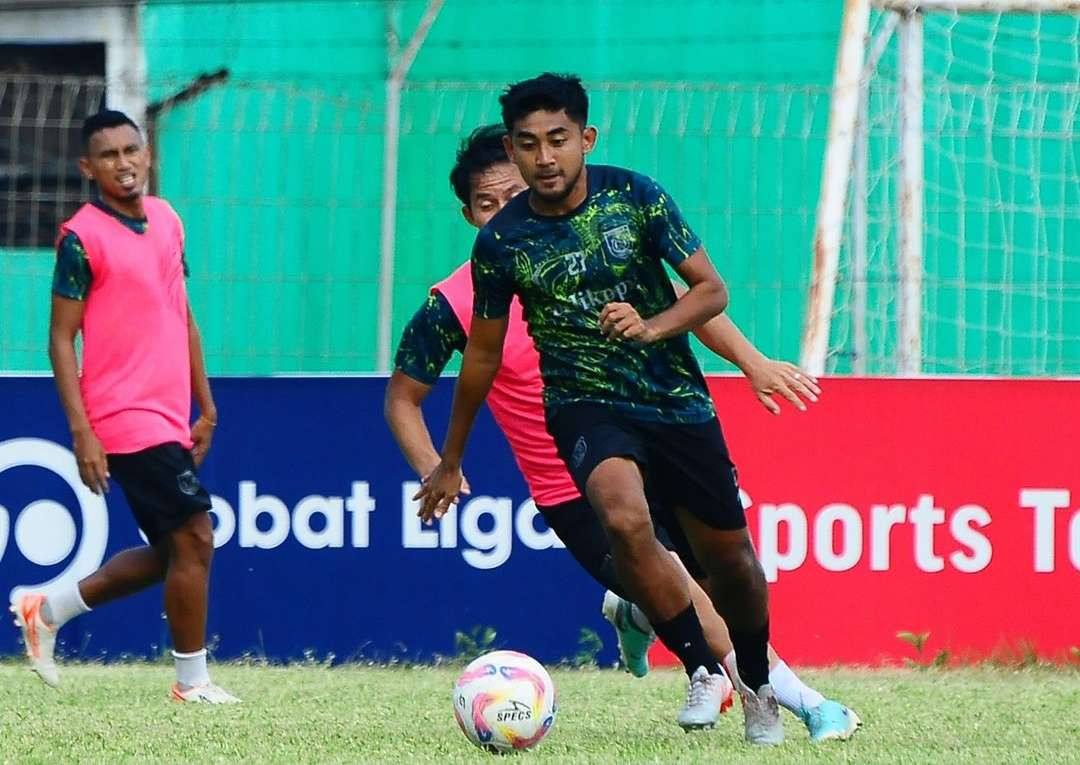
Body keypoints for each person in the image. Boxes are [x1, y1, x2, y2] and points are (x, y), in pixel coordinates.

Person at [388, 124, 859, 742]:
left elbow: (683, 309)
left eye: (514, 193)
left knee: (719, 579)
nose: (504, 213)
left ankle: (637, 611)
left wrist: (754, 364)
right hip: (572, 488)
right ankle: (811, 707)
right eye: (486, 204)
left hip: (653, 442)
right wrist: (434, 466)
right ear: (468, 215)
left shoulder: (588, 254)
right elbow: (402, 398)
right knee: (699, 602)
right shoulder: (457, 300)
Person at [9, 110, 238, 704]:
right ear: (89, 168)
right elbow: (61, 338)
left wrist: (206, 405)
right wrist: (81, 430)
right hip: (122, 414)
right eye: (108, 155)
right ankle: (192, 684)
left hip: (169, 410)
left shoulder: (166, 219)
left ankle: (48, 609)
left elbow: (180, 312)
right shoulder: (80, 237)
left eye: (130, 150)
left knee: (173, 550)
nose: (124, 162)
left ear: (148, 155)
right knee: (196, 536)